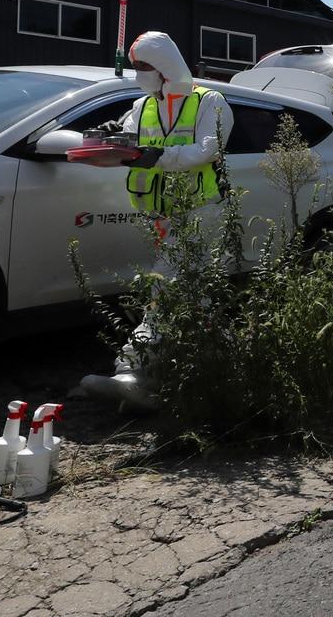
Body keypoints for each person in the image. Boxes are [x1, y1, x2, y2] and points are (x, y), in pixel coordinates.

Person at [80, 31, 234, 410]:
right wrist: (115, 137)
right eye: (135, 68)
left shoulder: (208, 101)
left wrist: (155, 156)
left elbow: (207, 150)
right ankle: (228, 366)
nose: (139, 75)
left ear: (165, 68)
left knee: (163, 288)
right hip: (161, 213)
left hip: (200, 210)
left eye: (143, 67)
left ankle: (131, 370)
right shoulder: (142, 105)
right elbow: (128, 136)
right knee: (196, 296)